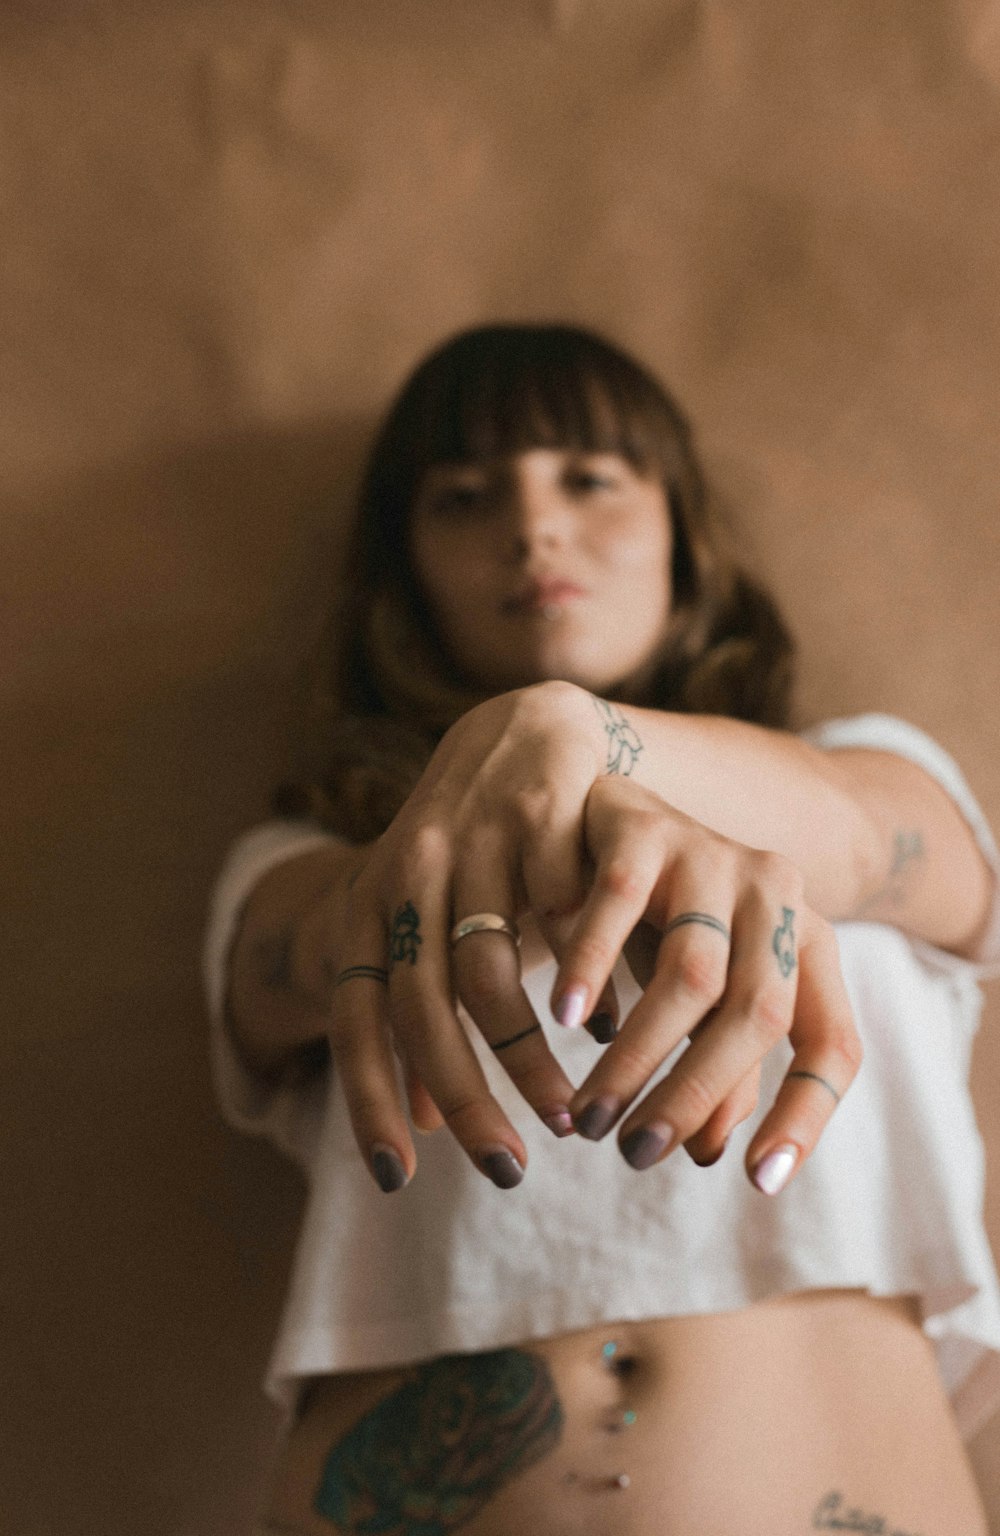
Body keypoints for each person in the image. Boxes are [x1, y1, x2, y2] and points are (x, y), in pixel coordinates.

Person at [204, 323, 1000, 1535]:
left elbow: (861, 833)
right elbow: (286, 959)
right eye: (463, 498)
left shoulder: (868, 772)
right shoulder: (316, 857)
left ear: (682, 532)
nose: (532, 529)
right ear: (403, 574)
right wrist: (458, 825)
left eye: (589, 478)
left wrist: (581, 739)